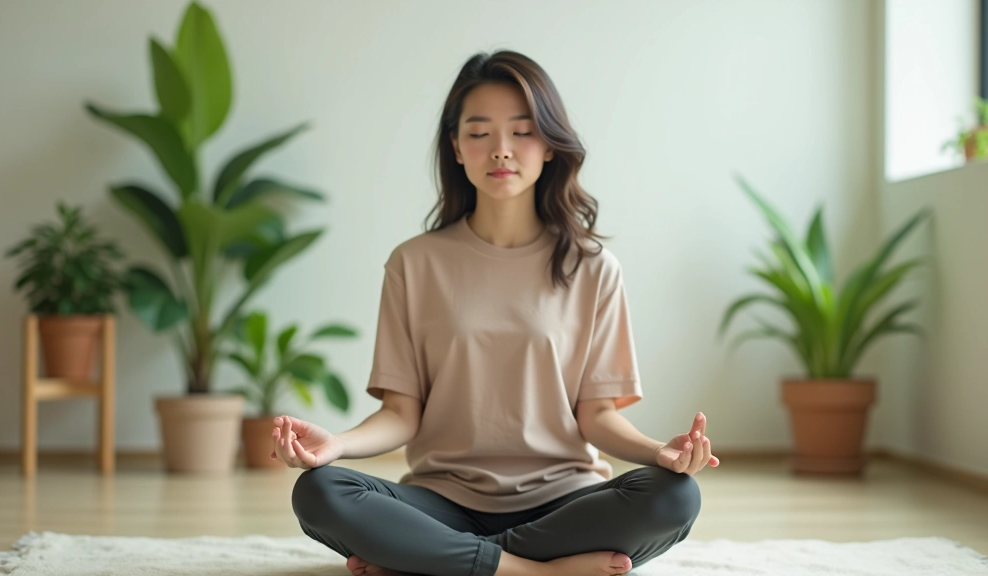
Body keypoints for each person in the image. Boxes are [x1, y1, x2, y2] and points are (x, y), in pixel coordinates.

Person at [272, 49, 719, 576]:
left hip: (564, 500)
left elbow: (596, 417)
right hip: (442, 502)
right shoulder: (414, 264)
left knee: (673, 497)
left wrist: (659, 454)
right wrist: (338, 445)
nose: (501, 150)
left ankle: (434, 560)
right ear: (456, 148)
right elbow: (402, 414)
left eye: (522, 132)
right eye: (479, 132)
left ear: (550, 145)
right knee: (322, 489)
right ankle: (531, 571)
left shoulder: (594, 268)